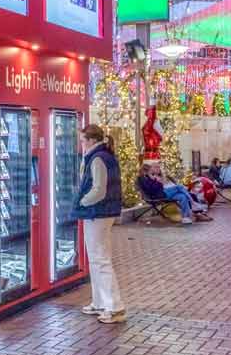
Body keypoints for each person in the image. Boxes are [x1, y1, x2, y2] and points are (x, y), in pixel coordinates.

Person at [72, 124, 125, 324]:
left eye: (83, 140)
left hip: (97, 213)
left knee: (100, 259)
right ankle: (100, 302)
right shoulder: (104, 156)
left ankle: (114, 306)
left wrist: (82, 201)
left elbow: (99, 190)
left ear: (92, 141)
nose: (81, 144)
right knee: (97, 259)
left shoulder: (97, 159)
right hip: (102, 213)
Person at [136, 163, 211, 224]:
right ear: (145, 171)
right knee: (179, 187)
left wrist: (156, 180)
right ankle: (193, 204)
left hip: (162, 193)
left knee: (182, 196)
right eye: (150, 170)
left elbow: (158, 186)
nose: (151, 172)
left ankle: (185, 217)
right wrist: (157, 181)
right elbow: (153, 189)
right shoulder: (142, 179)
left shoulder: (148, 178)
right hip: (158, 195)